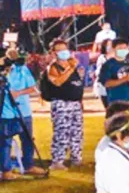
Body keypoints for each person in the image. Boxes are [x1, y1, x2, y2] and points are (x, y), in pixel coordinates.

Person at [43, 39, 85, 170]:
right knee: (62, 132)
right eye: (60, 50)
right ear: (54, 53)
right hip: (61, 104)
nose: (64, 52)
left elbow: (77, 85)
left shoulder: (73, 67)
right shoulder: (53, 67)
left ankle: (76, 158)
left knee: (76, 132)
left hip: (75, 104)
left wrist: (80, 101)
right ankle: (57, 161)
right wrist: (70, 68)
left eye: (65, 49)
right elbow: (57, 82)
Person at [0, 48, 43, 179]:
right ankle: (6, 170)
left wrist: (18, 93)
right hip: (5, 113)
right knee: (5, 142)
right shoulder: (2, 71)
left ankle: (29, 166)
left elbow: (32, 87)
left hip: (23, 111)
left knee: (28, 140)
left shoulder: (22, 69)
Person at [99, 38, 129, 105]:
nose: (123, 50)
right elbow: (106, 83)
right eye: (120, 48)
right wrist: (124, 79)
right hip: (116, 102)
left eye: (125, 48)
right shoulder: (108, 65)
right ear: (113, 49)